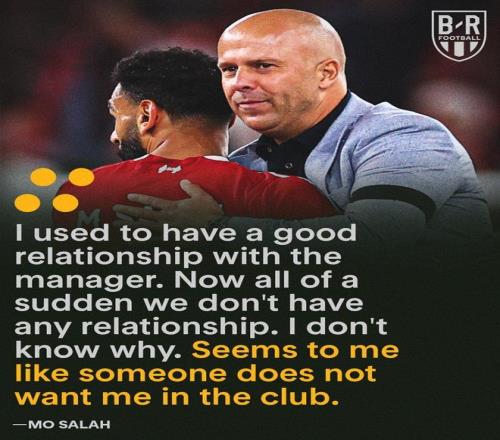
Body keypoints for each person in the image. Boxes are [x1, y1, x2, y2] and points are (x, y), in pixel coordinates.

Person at [114, 9, 492, 248]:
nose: (239, 83)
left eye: (263, 66)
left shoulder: (404, 137)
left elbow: (378, 239)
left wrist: (219, 227)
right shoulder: (241, 166)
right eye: (229, 69)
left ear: (326, 73)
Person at [53, 48, 336, 228]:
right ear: (233, 118)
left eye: (117, 115)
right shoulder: (287, 196)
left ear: (147, 115)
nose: (114, 135)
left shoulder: (80, 193)